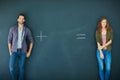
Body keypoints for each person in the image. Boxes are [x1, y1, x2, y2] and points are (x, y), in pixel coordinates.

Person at [8, 13, 34, 80]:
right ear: (18, 19)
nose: (21, 20)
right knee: (11, 68)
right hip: (14, 51)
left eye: (22, 19)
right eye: (20, 18)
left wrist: (29, 52)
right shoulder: (12, 29)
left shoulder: (27, 30)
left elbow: (31, 41)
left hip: (23, 51)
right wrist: (10, 51)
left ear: (24, 20)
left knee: (21, 68)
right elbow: (9, 40)